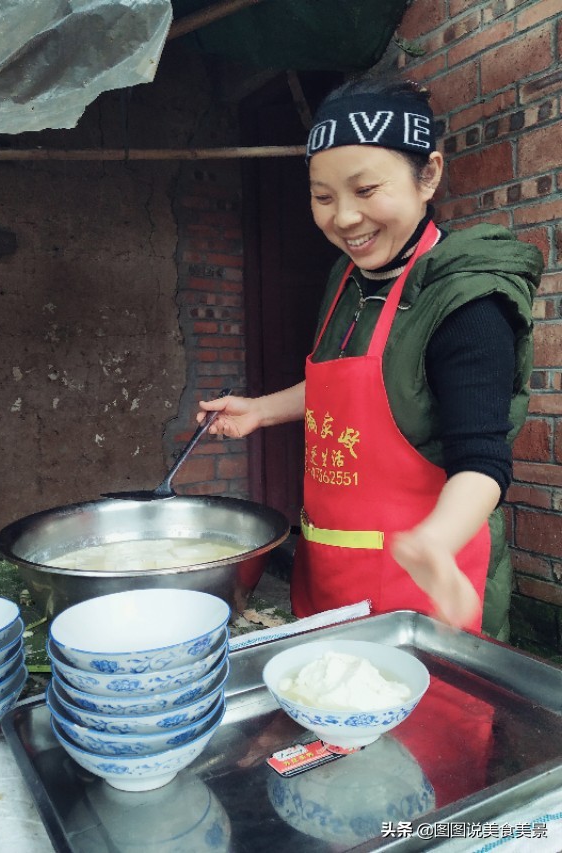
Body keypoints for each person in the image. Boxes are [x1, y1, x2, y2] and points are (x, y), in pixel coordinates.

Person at [198, 74, 543, 640]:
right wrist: (260, 410)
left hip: (426, 586)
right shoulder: (348, 278)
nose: (344, 218)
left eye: (365, 190)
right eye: (323, 196)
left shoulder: (469, 303)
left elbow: (483, 459)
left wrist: (436, 541)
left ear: (428, 175)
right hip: (331, 576)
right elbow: (352, 387)